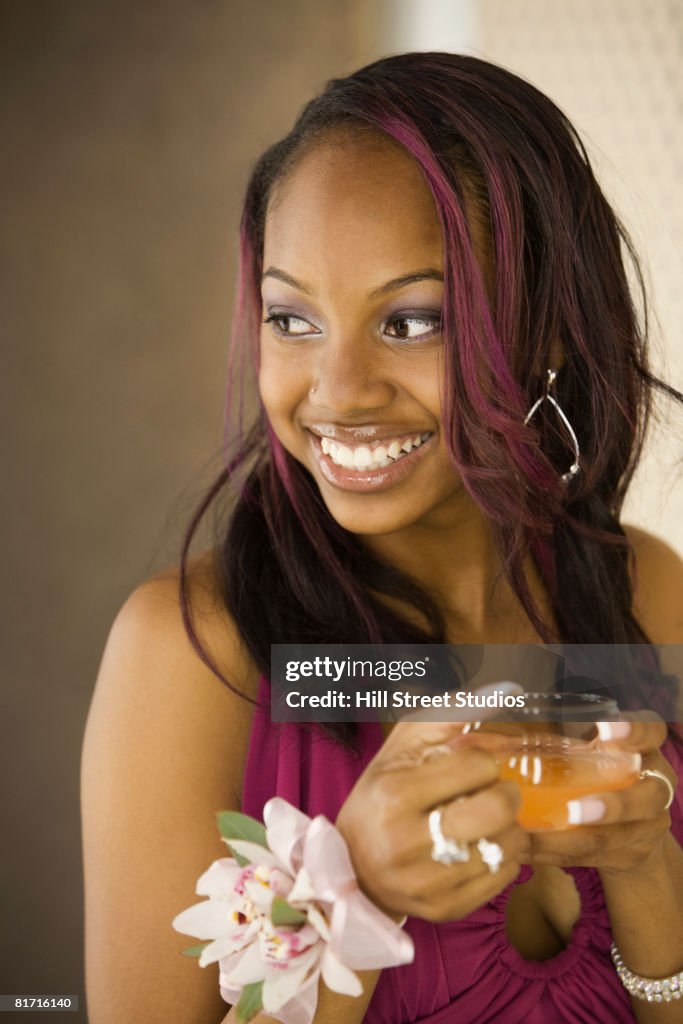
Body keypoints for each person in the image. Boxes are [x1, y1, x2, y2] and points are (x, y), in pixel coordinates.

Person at [81, 52, 683, 1024]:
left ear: (549, 334)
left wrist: (645, 861)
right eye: (291, 318)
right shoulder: (188, 655)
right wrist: (347, 894)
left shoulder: (643, 598)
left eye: (409, 321)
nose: (336, 391)